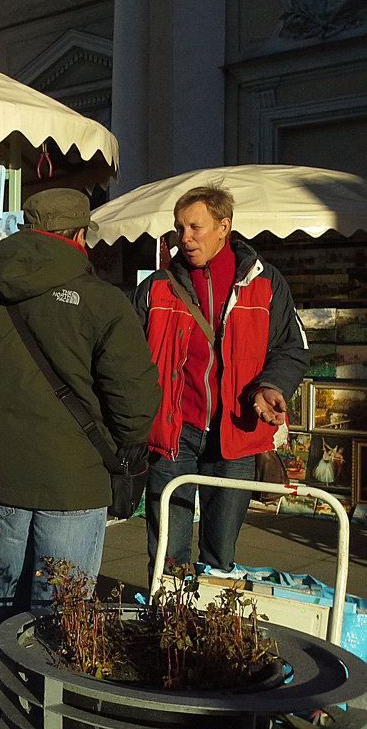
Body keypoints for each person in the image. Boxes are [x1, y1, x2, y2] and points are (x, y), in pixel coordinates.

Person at [0, 187, 160, 723]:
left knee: (6, 593)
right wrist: (111, 440)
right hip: (76, 477)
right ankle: (48, 711)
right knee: (64, 603)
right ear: (80, 234)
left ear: (26, 227)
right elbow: (136, 404)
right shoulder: (103, 300)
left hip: (6, 472)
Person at [133, 185, 308, 579]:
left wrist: (272, 387)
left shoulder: (266, 283)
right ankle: (166, 630)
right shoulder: (156, 287)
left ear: (223, 227)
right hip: (174, 435)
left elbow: (290, 348)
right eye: (180, 227)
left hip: (235, 435)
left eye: (195, 227)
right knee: (166, 553)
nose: (185, 237)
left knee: (220, 554)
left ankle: (208, 634)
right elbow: (126, 359)